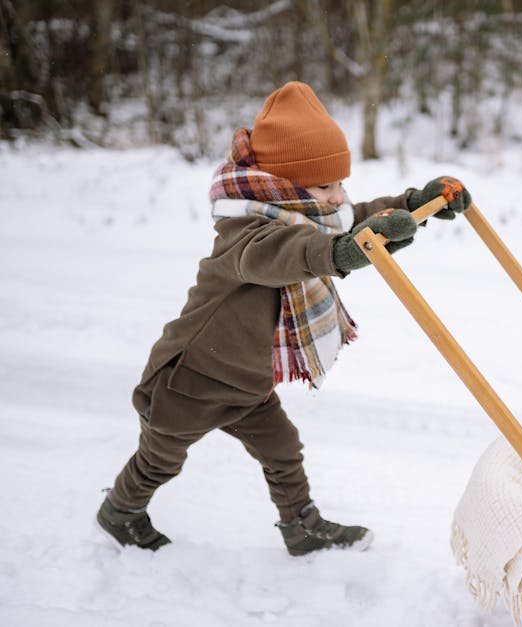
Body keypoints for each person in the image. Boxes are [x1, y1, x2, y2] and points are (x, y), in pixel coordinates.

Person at [96, 81, 472, 555]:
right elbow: (281, 254)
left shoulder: (309, 214)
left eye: (340, 184)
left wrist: (415, 204)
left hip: (248, 384)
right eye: (325, 186)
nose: (337, 197)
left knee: (283, 451)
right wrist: (340, 251)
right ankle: (121, 511)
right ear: (286, 186)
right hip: (189, 380)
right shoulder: (244, 231)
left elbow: (354, 218)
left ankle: (301, 526)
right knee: (159, 461)